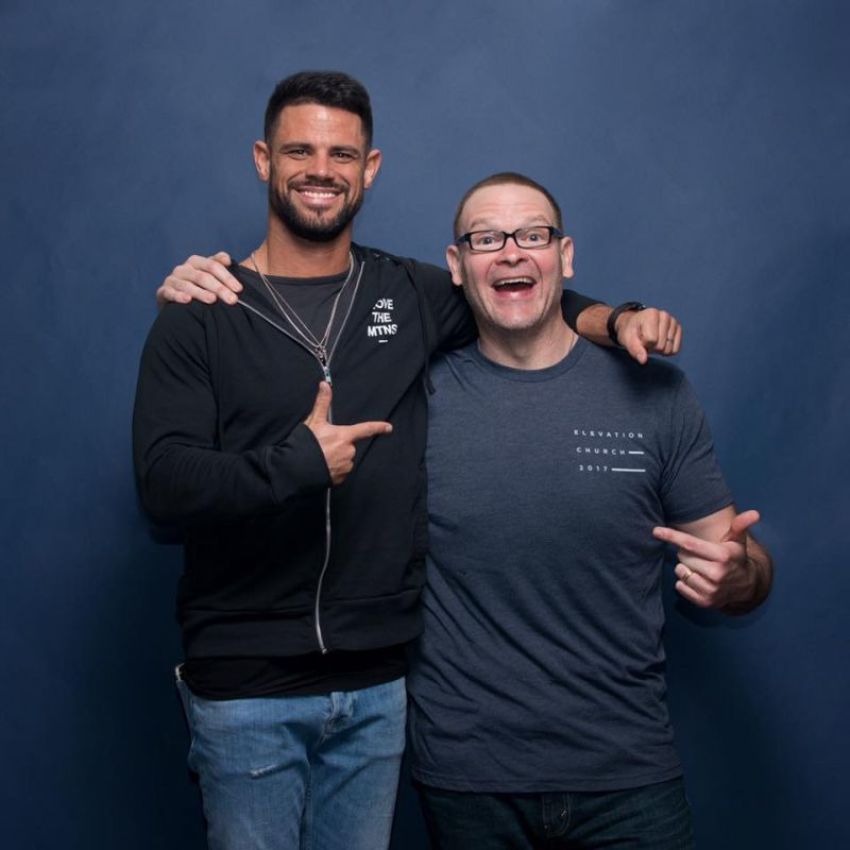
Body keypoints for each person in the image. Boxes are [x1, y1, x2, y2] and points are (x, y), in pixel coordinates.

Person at [137, 71, 681, 850]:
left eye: (342, 153)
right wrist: (295, 462)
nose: (321, 169)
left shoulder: (412, 292)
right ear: (264, 160)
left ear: (371, 168)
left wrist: (619, 317)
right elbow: (163, 484)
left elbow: (525, 292)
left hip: (376, 690)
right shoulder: (204, 310)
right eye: (299, 150)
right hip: (245, 689)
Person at [405, 172, 773, 849]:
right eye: (487, 239)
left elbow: (743, 570)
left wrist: (737, 574)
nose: (511, 252)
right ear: (457, 266)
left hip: (627, 775)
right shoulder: (416, 399)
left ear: (565, 257)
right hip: (468, 779)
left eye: (533, 235)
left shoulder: (657, 393)